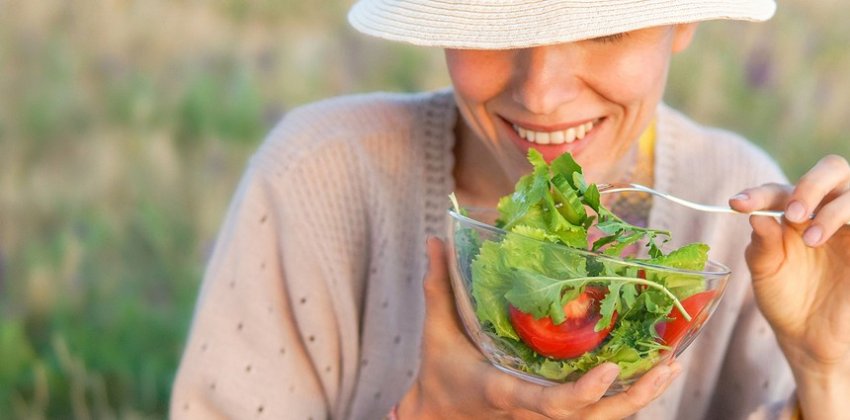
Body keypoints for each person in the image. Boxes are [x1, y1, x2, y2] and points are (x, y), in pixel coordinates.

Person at [170, 0, 850, 418]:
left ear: (681, 22)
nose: (543, 93)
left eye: (603, 26)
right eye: (492, 19)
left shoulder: (736, 215)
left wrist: (827, 373)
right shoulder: (317, 183)